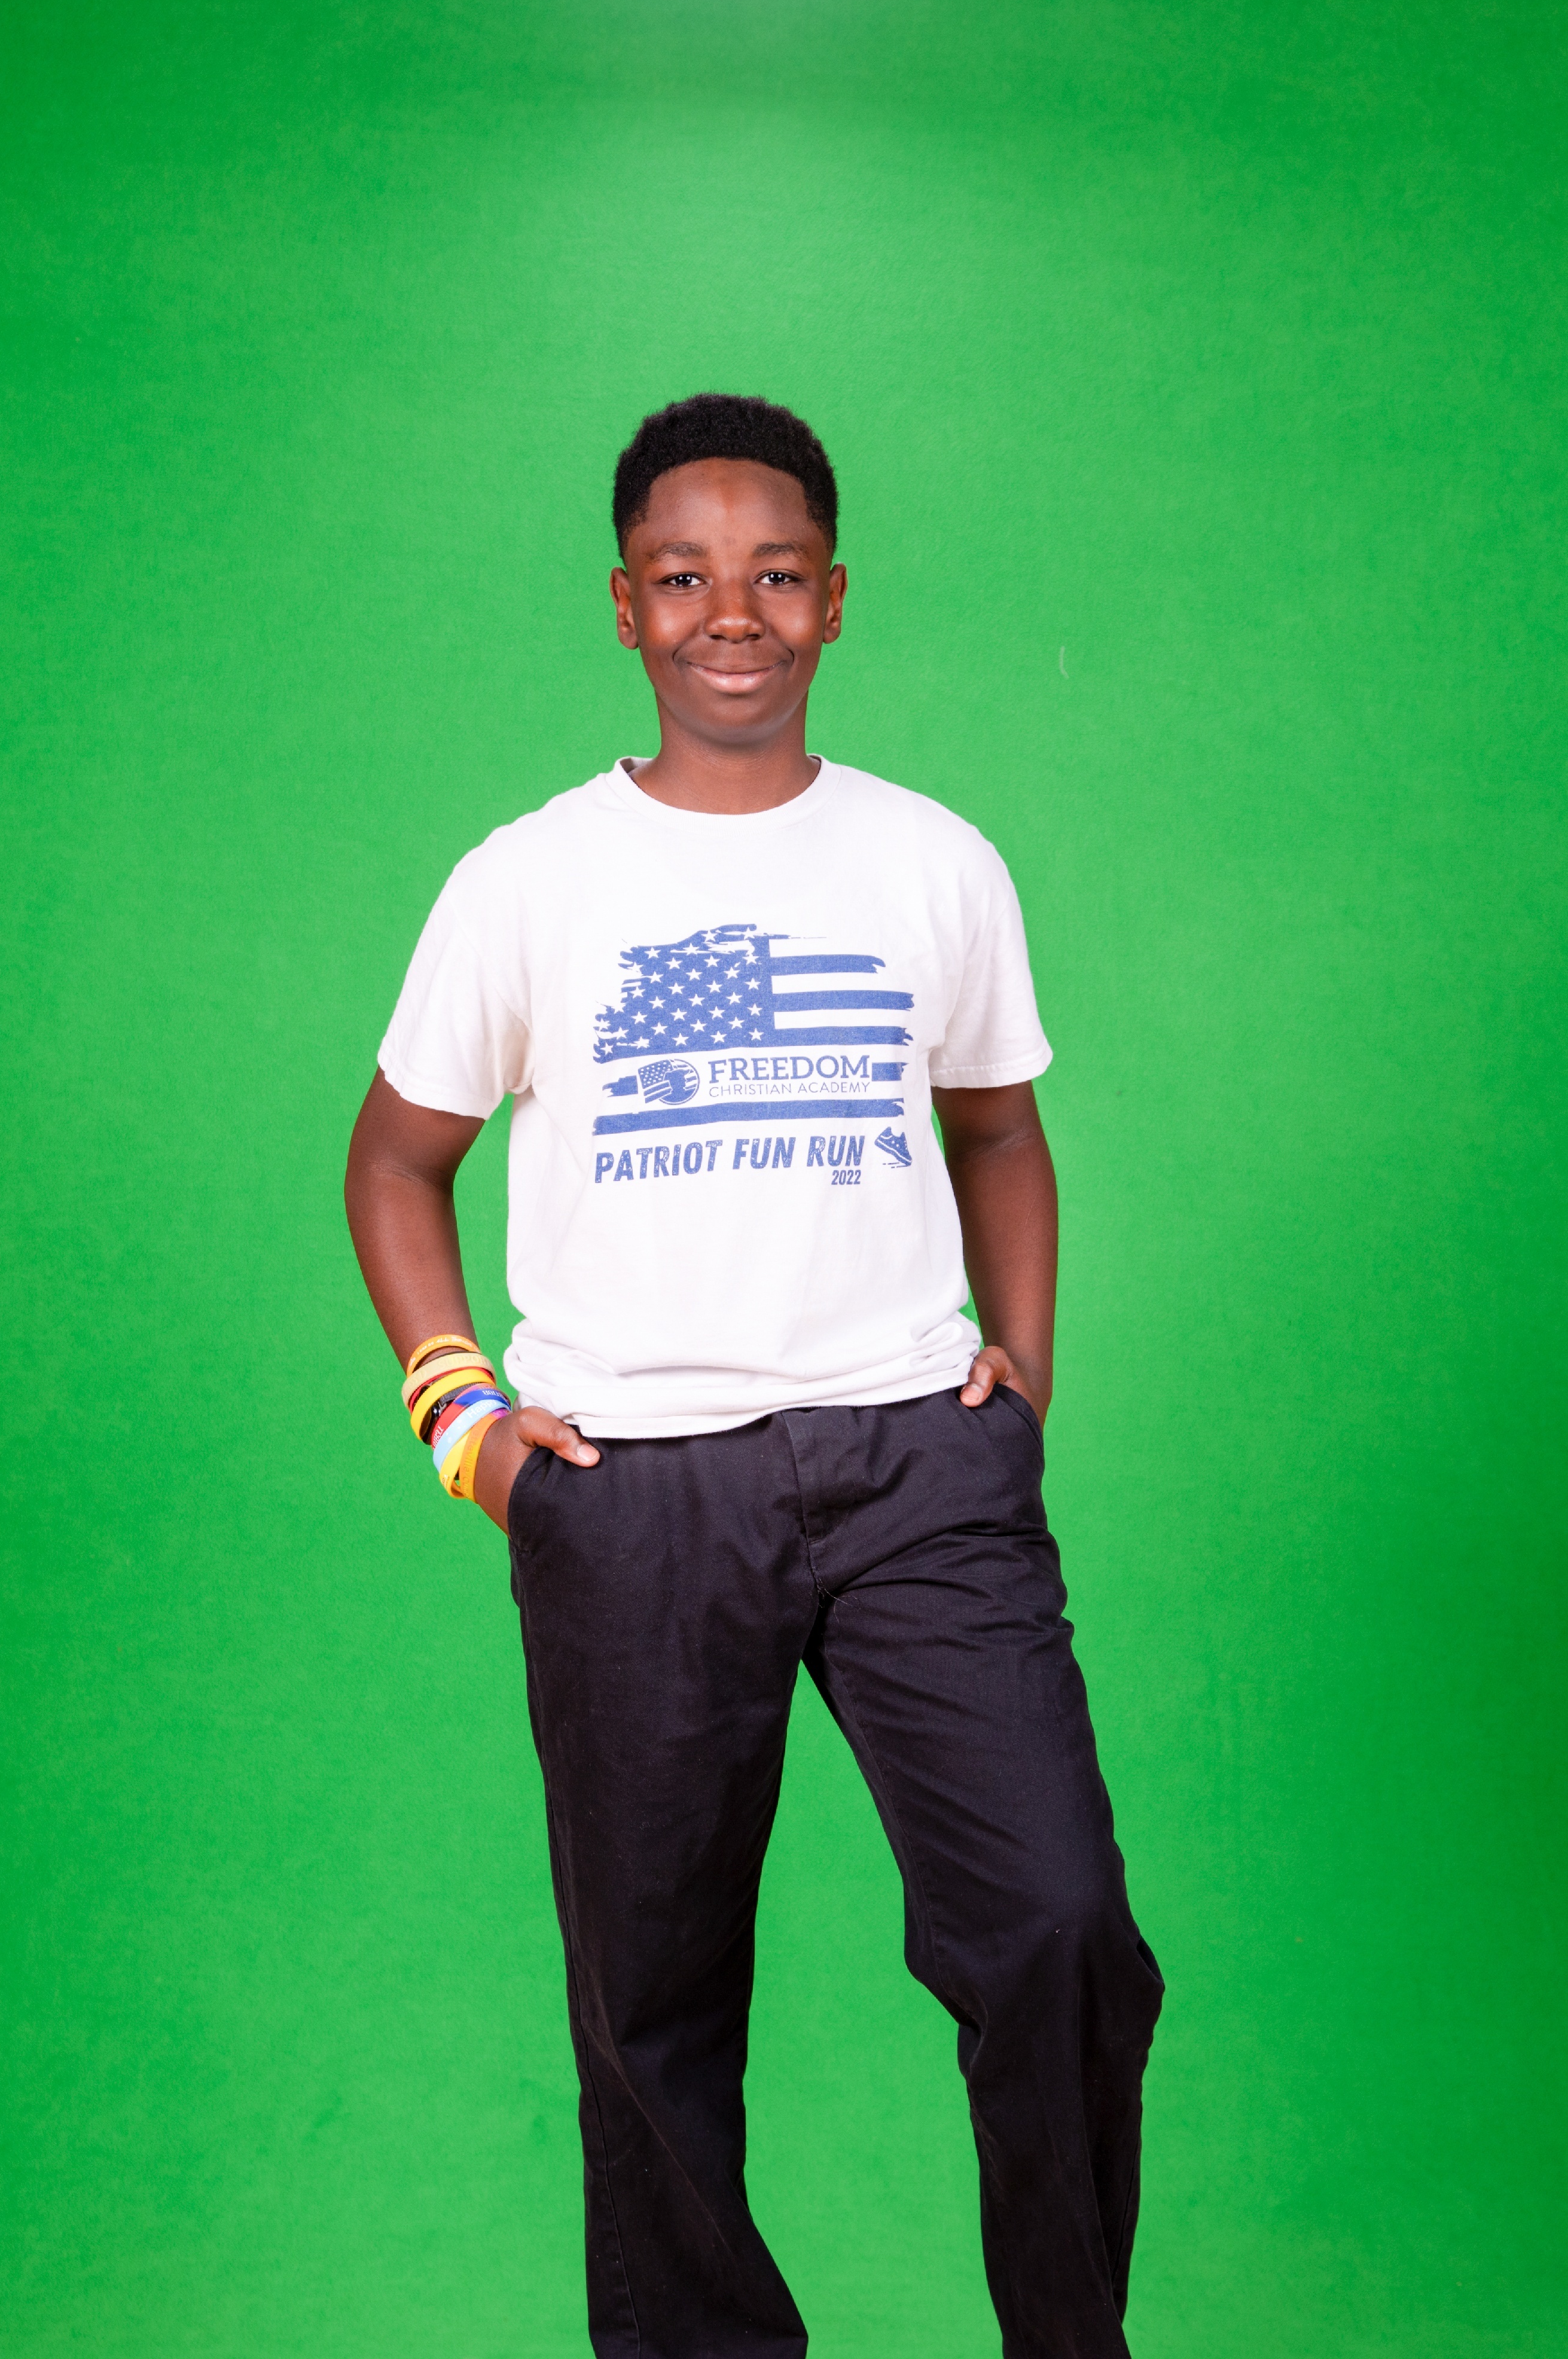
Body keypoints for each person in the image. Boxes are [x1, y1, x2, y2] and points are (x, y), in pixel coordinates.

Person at [344, 392, 1163, 2359]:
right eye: (686, 577)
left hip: (916, 1470)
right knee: (653, 2011)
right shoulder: (528, 879)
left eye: (776, 574)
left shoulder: (933, 861)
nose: (735, 613)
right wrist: (465, 1421)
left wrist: (1025, 1381)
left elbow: (999, 1131)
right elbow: (395, 1160)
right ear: (625, 605)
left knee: (1059, 1930)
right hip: (630, 1485)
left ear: (835, 599)